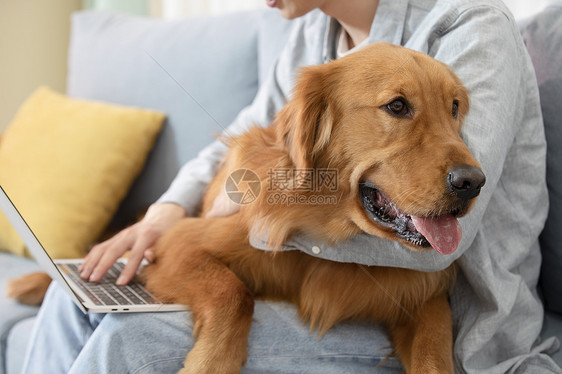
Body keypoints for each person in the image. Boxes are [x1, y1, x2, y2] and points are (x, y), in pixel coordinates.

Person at [22, 0, 562, 373]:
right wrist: (167, 210)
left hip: (466, 337)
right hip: (334, 292)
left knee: (131, 341)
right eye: (397, 108)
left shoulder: (472, 26)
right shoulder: (311, 36)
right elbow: (237, 144)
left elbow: (440, 244)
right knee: (73, 303)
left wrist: (271, 212)